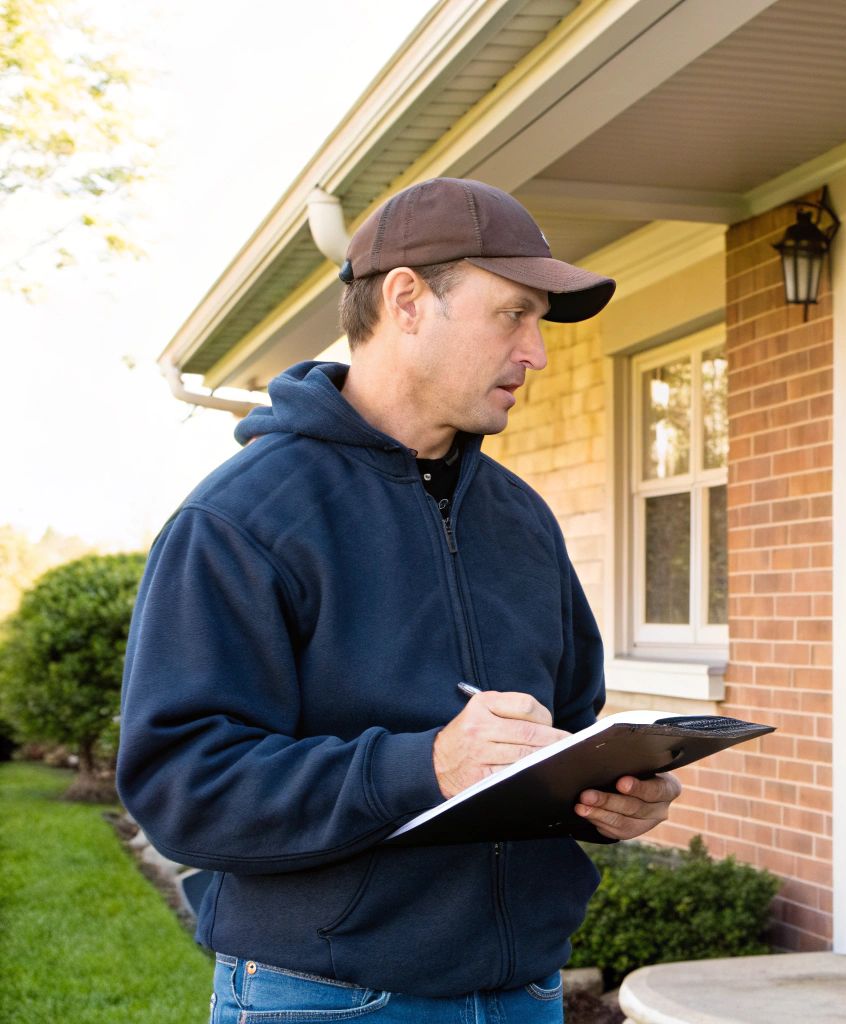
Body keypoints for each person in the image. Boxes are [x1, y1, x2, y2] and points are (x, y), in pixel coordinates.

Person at [118, 177, 682, 1022]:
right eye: (514, 314)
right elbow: (184, 790)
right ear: (408, 300)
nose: (537, 353)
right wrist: (423, 766)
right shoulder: (240, 521)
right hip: (329, 999)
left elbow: (559, 730)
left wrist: (607, 802)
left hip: (524, 993)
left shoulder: (521, 517)